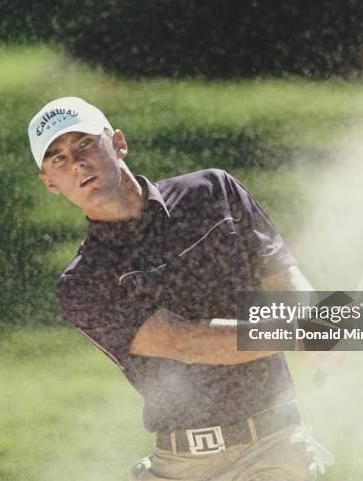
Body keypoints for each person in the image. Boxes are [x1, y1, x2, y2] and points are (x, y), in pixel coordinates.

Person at [27, 96, 332, 480]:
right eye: (58, 159)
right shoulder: (84, 284)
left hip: (274, 448)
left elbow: (283, 276)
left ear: (118, 143)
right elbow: (184, 342)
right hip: (181, 465)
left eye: (84, 143)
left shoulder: (212, 193)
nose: (77, 163)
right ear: (50, 183)